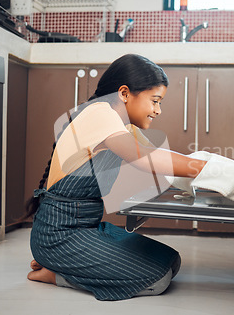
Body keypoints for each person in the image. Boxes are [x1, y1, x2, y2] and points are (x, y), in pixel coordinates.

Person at [24, 54, 208, 301]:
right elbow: (144, 158)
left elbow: (159, 158)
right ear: (124, 93)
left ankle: (66, 263)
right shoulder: (99, 114)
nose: (158, 110)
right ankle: (56, 273)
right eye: (155, 101)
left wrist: (203, 170)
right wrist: (209, 168)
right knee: (158, 279)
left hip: (87, 228)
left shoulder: (122, 124)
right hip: (60, 235)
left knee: (171, 260)